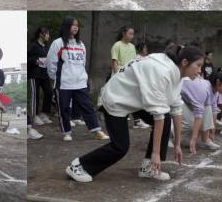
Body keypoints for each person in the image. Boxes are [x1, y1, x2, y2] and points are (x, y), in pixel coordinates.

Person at [66, 45, 204, 183]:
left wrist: (178, 144)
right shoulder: (162, 71)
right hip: (116, 98)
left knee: (167, 117)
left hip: (136, 98)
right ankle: (79, 166)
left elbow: (176, 109)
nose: (199, 71)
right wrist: (156, 153)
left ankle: (148, 168)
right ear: (185, 62)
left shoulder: (177, 74)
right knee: (120, 147)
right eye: (198, 66)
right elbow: (158, 116)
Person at [47, 16, 110, 142]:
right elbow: (51, 63)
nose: (75, 27)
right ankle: (66, 132)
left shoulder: (80, 44)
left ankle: (96, 130)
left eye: (77, 25)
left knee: (87, 107)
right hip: (64, 83)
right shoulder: (58, 43)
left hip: (80, 82)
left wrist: (83, 77)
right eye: (72, 25)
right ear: (66, 26)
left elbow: (83, 62)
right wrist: (58, 78)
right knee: (64, 108)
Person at [27, 26, 52, 139]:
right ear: (41, 34)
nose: (48, 36)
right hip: (34, 74)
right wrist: (36, 61)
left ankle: (44, 114)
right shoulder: (32, 46)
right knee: (34, 95)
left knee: (49, 92)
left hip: (44, 74)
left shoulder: (47, 47)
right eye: (46, 34)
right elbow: (27, 58)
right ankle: (34, 115)